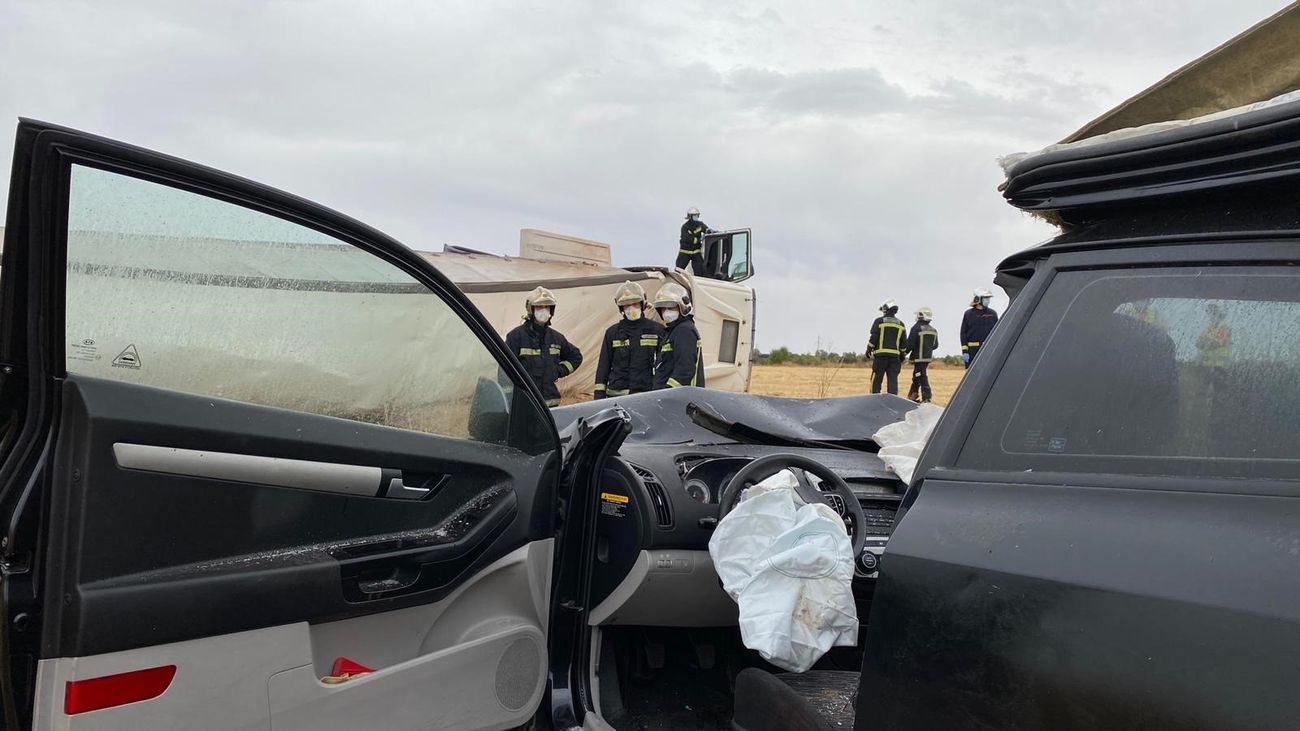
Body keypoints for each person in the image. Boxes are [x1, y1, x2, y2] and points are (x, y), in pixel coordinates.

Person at [505, 287, 582, 407]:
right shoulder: (515, 337)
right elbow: (505, 370)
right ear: (531, 309)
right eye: (539, 307)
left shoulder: (556, 338)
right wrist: (509, 400)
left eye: (547, 307)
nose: (544, 311)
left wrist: (559, 370)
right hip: (526, 403)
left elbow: (576, 356)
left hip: (551, 403)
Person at [594, 281, 665, 399]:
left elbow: (664, 365)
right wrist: (599, 396)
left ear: (643, 304)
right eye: (627, 305)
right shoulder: (612, 333)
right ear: (621, 307)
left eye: (635, 304)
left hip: (646, 395)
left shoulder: (657, 330)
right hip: (616, 397)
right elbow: (603, 366)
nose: (631, 308)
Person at [653, 282, 706, 389]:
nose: (666, 312)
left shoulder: (684, 331)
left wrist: (668, 392)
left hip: (680, 398)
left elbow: (685, 370)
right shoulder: (673, 331)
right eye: (663, 308)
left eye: (671, 308)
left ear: (682, 307)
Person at [867, 299, 907, 395]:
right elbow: (904, 343)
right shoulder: (901, 324)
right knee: (893, 382)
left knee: (876, 381)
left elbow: (874, 337)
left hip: (880, 357)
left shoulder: (879, 321)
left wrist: (869, 349)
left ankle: (874, 401)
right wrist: (902, 355)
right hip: (895, 359)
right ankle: (893, 404)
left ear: (885, 309)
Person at [905, 307, 939, 403]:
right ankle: (913, 394)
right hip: (927, 358)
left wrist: (903, 353)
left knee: (921, 376)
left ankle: (927, 397)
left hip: (917, 358)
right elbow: (935, 345)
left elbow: (910, 344)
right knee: (917, 375)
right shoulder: (933, 330)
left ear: (920, 316)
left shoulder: (916, 328)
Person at [961, 288, 998, 368]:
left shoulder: (992, 314)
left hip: (988, 349)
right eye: (986, 298)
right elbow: (963, 333)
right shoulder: (968, 314)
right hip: (972, 351)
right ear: (978, 299)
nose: (988, 300)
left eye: (988, 298)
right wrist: (964, 351)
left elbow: (997, 332)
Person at [677, 206, 712, 276]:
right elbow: (687, 239)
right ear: (690, 216)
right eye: (694, 215)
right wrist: (698, 239)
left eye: (697, 215)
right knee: (679, 270)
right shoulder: (685, 227)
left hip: (696, 252)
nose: (696, 217)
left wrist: (709, 231)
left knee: (699, 269)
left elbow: (705, 229)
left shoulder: (700, 224)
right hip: (685, 252)